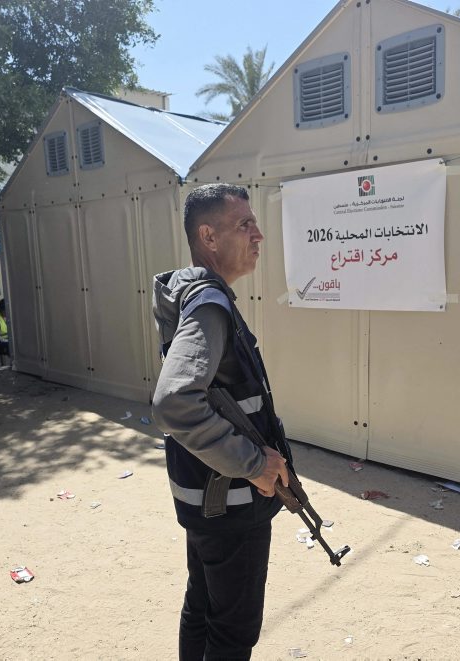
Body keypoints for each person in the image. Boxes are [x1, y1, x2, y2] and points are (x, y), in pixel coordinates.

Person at [152, 184, 292, 660]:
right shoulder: (209, 305)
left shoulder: (194, 294)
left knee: (204, 605)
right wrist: (254, 464)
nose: (258, 235)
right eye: (244, 225)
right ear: (208, 237)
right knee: (232, 632)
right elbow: (174, 402)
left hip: (206, 495)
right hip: (232, 501)